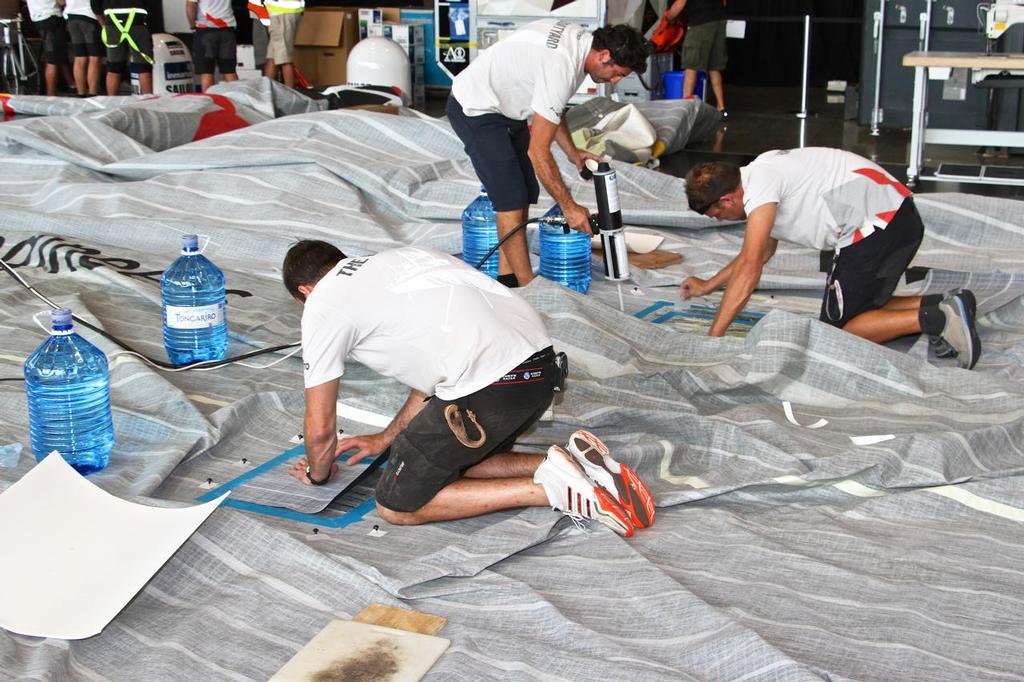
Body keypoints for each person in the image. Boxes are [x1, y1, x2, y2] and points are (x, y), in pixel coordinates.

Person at [281, 240, 656, 535]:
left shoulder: (324, 304)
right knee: (457, 463)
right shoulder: (403, 259)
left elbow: (319, 428)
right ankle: (579, 468)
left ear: (305, 291)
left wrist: (318, 473)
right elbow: (429, 382)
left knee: (398, 504)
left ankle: (555, 491)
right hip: (541, 374)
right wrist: (384, 440)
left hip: (490, 390)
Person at [681, 148, 982, 369]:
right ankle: (943, 303)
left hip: (876, 226)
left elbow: (750, 267)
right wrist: (707, 286)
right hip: (892, 218)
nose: (721, 221)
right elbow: (759, 253)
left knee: (834, 332)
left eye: (717, 214)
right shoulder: (761, 171)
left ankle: (938, 318)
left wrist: (713, 340)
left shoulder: (760, 187)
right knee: (858, 308)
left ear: (727, 199)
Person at [447, 21, 648, 288]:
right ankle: (529, 289)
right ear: (604, 56)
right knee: (510, 198)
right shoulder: (562, 64)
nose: (615, 82)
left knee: (526, 191)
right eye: (617, 74)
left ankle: (508, 279)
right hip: (475, 107)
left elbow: (554, 106)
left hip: (507, 107)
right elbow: (538, 152)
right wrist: (570, 207)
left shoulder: (579, 43)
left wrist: (573, 154)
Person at [664, 0, 727, 116]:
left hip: (700, 22)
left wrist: (668, 18)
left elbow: (680, 3)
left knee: (691, 65)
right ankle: (721, 108)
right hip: (719, 20)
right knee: (714, 66)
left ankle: (685, 109)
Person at [91, 0, 153, 95]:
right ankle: (149, 101)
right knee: (144, 66)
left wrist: (104, 24)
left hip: (112, 20)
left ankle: (112, 102)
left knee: (114, 67)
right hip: (137, 19)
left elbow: (95, 5)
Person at [186, 0, 238, 92]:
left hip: (206, 29)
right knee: (229, 71)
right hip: (227, 29)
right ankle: (239, 102)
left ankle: (210, 103)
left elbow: (190, 7)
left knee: (207, 71)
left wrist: (193, 26)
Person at [25, 0, 69, 96]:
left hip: (37, 17)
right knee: (53, 59)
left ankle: (48, 87)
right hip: (50, 16)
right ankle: (51, 93)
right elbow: (61, 2)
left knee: (49, 54)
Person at [64, 0, 104, 96]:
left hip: (71, 16)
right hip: (90, 16)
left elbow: (61, 2)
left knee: (79, 57)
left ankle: (81, 93)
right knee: (94, 58)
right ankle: (93, 93)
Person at [263, 0, 302, 88]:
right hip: (283, 11)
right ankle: (267, 91)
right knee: (273, 56)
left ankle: (290, 95)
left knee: (284, 58)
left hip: (281, 12)